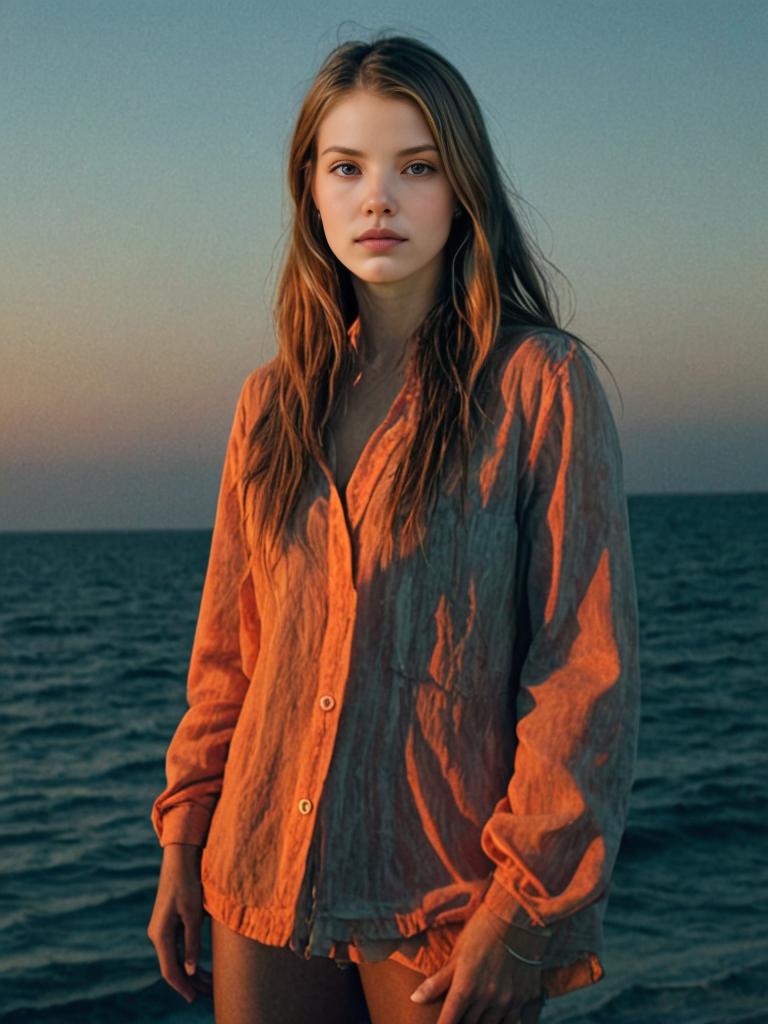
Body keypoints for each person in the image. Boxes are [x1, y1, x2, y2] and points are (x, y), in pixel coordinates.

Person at [146, 32, 641, 1024]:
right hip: (261, 869)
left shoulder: (540, 383)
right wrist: (183, 845)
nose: (379, 199)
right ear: (312, 192)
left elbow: (582, 670)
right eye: (348, 167)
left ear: (462, 188)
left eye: (416, 167)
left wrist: (524, 910)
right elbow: (229, 655)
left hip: (449, 894)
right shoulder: (269, 404)